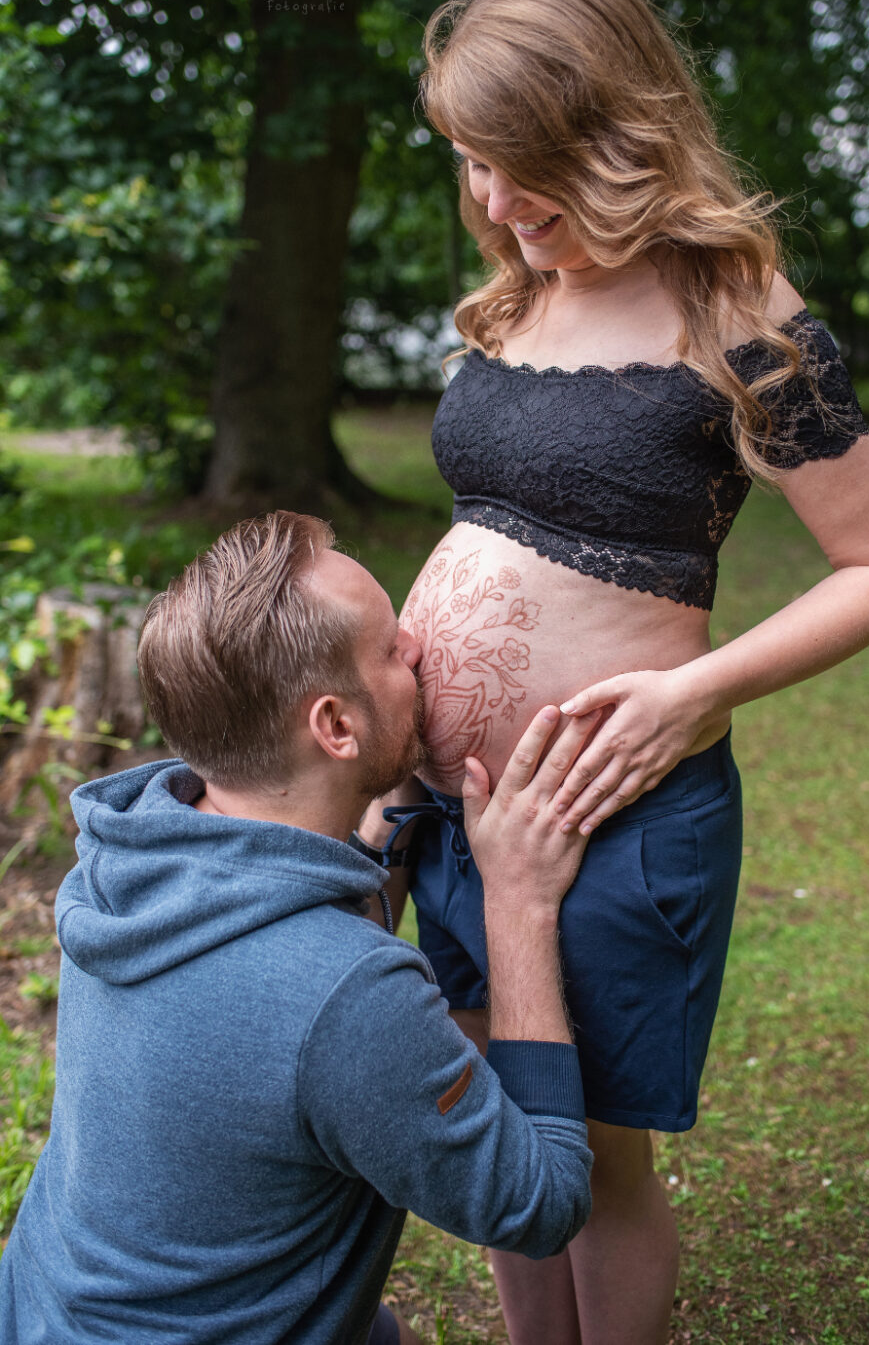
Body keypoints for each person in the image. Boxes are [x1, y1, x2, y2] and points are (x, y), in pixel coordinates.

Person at [357, 0, 869, 1345]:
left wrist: (695, 688)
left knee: (599, 1151)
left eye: (513, 163)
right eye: (468, 164)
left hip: (612, 816)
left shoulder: (738, 315)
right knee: (499, 1118)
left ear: (605, 129)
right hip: (461, 818)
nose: (489, 201)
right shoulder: (515, 297)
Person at [0, 510, 599, 1345]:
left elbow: (276, 995)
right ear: (335, 728)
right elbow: (539, 1204)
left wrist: (375, 818)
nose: (421, 651)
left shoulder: (124, 860)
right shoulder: (349, 995)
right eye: (391, 650)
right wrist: (518, 901)